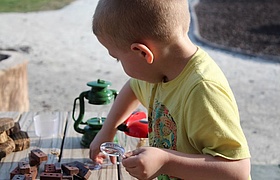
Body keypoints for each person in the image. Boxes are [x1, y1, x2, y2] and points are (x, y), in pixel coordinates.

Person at [89, 0, 251, 179]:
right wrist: (107, 131)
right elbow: (133, 88)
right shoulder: (159, 71)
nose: (119, 64)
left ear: (143, 53)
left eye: (117, 58)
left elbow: (238, 171)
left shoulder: (203, 90)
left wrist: (166, 162)